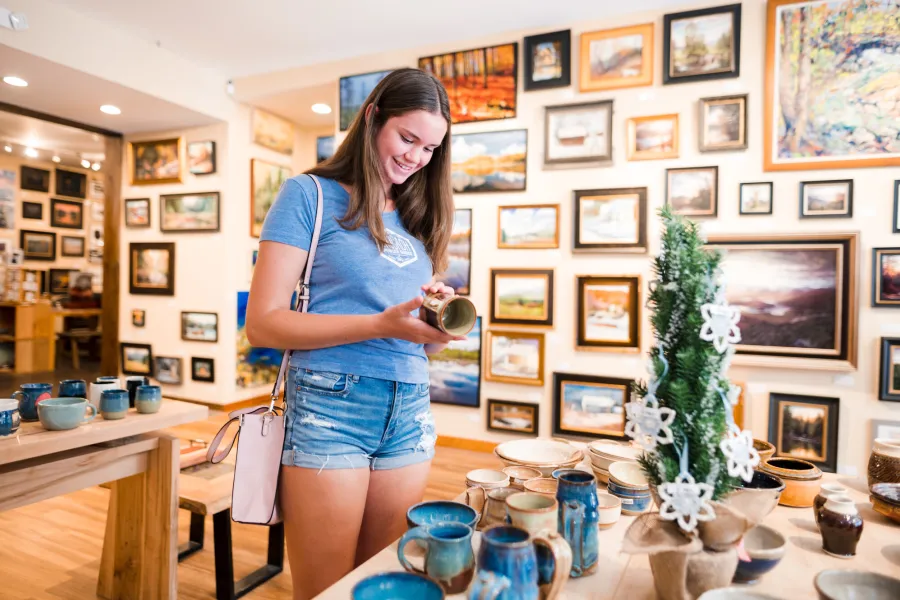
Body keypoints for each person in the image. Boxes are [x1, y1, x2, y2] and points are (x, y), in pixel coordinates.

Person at [246, 67, 461, 600]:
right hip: (329, 406)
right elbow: (263, 322)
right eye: (407, 138)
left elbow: (419, 340)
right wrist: (377, 324)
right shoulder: (309, 196)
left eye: (430, 148)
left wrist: (436, 326)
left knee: (380, 586)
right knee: (327, 590)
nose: (415, 158)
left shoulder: (419, 212)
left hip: (410, 408)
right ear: (372, 118)